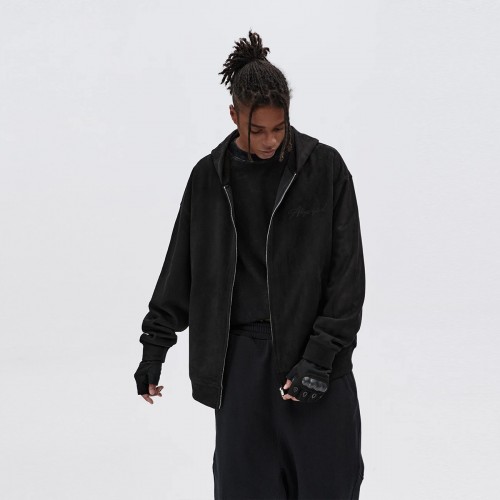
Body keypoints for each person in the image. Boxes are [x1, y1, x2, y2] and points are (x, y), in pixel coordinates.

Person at [134, 30, 366, 499]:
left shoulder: (324, 169)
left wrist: (319, 359)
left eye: (279, 128)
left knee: (330, 486)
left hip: (312, 357)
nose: (269, 140)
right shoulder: (208, 177)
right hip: (239, 364)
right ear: (233, 115)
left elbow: (347, 276)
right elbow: (180, 270)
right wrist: (154, 350)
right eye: (256, 129)